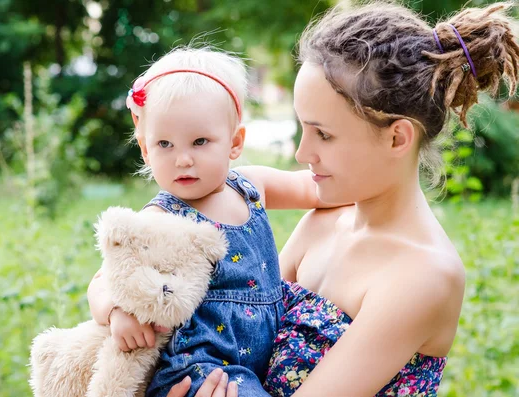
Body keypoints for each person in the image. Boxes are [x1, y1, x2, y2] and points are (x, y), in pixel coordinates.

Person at [169, 2, 519, 396]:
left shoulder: (424, 275)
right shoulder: (324, 221)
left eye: (324, 135)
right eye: (304, 129)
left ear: (396, 137)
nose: (303, 154)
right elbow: (238, 321)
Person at [86, 46, 336, 396]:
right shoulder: (160, 219)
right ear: (145, 148)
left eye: (200, 141)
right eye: (165, 144)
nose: (183, 159)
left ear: (235, 142)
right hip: (201, 370)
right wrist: (116, 313)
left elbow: (317, 190)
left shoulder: (251, 186)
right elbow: (103, 280)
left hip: (263, 353)